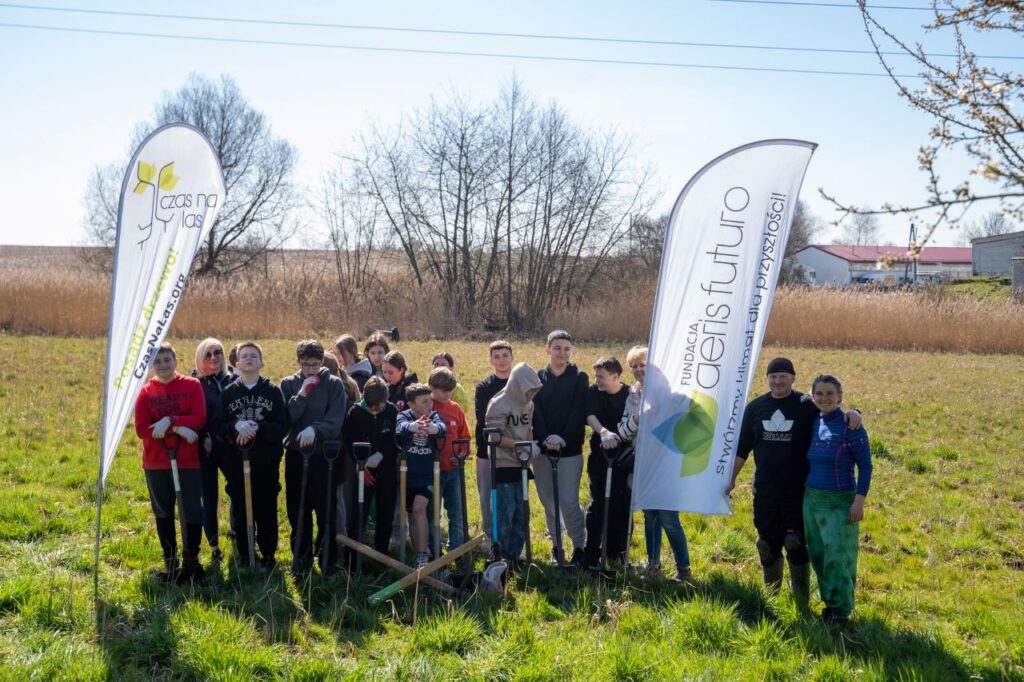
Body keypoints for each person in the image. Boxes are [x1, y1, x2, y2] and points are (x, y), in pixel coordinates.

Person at [728, 357, 862, 607]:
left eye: (783, 376)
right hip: (765, 491)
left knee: (796, 543)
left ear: (793, 377)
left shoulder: (805, 405)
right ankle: (772, 599)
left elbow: (831, 412)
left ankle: (802, 601)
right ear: (766, 379)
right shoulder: (755, 408)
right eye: (773, 376)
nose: (778, 381)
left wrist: (854, 413)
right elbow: (742, 449)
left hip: (799, 492)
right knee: (766, 544)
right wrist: (731, 480)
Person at [618, 346, 693, 583]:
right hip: (645, 466)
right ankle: (654, 565)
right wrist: (637, 419)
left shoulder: (674, 395)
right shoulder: (632, 398)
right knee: (650, 517)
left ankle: (683, 569)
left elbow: (691, 417)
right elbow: (623, 431)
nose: (639, 370)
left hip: (669, 465)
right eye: (634, 366)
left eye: (643, 365)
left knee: (669, 519)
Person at [134, 343, 207, 584]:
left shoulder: (191, 385)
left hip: (187, 461)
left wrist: (170, 421)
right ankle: (171, 562)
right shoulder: (145, 393)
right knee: (163, 512)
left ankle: (191, 560)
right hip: (156, 463)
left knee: (192, 510)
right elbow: (143, 429)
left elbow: (199, 417)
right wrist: (177, 428)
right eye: (158, 361)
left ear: (176, 361)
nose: (163, 365)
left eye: (167, 360)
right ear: (151, 365)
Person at [804, 374, 872, 626]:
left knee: (838, 557)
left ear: (840, 396)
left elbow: (865, 467)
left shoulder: (850, 426)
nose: (824, 398)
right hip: (811, 501)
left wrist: (858, 502)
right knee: (819, 555)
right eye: (819, 393)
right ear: (812, 397)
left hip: (839, 501)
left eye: (830, 393)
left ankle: (841, 612)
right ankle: (829, 605)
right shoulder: (813, 422)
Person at [280, 339, 347, 575]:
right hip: (297, 455)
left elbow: (336, 419)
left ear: (322, 362)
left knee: (325, 508)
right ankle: (302, 557)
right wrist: (302, 394)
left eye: (315, 365)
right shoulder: (288, 384)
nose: (311, 369)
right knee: (298, 508)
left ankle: (327, 556)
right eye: (306, 365)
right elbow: (287, 418)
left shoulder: (334, 384)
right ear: (298, 362)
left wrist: (315, 429)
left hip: (324, 456)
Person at [219, 341, 287, 573]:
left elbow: (281, 426)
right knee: (240, 508)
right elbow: (218, 425)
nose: (248, 359)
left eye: (253, 356)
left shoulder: (273, 391)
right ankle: (246, 554)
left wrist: (257, 427)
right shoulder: (228, 393)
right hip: (237, 464)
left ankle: (268, 554)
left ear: (261, 363)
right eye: (244, 356)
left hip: (266, 464)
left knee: (266, 508)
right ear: (236, 364)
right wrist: (236, 425)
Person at [531, 330, 588, 566]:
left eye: (566, 348)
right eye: (557, 348)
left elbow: (578, 411)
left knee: (568, 500)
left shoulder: (579, 377)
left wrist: (563, 438)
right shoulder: (537, 377)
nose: (562, 353)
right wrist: (546, 438)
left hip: (570, 449)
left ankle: (579, 546)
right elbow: (536, 412)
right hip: (544, 450)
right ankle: (557, 546)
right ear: (547, 350)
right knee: (549, 502)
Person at [485, 362, 543, 566]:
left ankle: (514, 555)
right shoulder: (499, 403)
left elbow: (527, 428)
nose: (530, 394)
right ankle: (499, 556)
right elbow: (493, 437)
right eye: (527, 389)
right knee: (505, 513)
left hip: (522, 464)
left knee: (522, 513)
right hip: (503, 463)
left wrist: (529, 446)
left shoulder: (528, 403)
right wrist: (521, 445)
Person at [583, 356, 632, 567]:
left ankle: (617, 552)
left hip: (623, 459)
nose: (598, 380)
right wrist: (603, 432)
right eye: (596, 376)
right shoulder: (595, 392)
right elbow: (590, 414)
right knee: (597, 504)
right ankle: (591, 552)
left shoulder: (630, 395)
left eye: (601, 377)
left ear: (615, 376)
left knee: (621, 506)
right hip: (600, 456)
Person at [342, 376, 399, 555]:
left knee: (386, 511)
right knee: (359, 512)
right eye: (371, 406)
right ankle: (353, 556)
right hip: (362, 470)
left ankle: (382, 552)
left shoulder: (391, 411)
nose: (375, 410)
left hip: (387, 469)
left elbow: (395, 439)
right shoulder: (355, 413)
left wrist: (382, 453)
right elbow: (349, 440)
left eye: (379, 406)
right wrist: (361, 467)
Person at [396, 384, 447, 567]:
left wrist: (432, 428)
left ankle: (423, 555)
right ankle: (418, 554)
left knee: (419, 508)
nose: (429, 404)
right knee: (411, 514)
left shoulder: (433, 416)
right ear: (412, 405)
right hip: (407, 476)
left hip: (427, 476)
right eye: (424, 401)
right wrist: (413, 426)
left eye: (430, 400)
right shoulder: (404, 416)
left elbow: (442, 428)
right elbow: (400, 426)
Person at [191, 337, 233, 561]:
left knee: (237, 490)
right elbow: (193, 415)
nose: (214, 358)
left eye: (218, 352)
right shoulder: (193, 383)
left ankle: (239, 534)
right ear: (200, 357)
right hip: (204, 448)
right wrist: (203, 436)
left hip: (229, 446)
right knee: (209, 497)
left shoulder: (232, 380)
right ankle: (214, 545)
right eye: (208, 354)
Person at [474, 340, 514, 549]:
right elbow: (483, 419)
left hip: (515, 452)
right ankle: (490, 537)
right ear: (490, 360)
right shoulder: (484, 387)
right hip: (487, 451)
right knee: (487, 495)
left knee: (512, 497)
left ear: (512, 357)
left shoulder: (518, 385)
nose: (501, 360)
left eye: (505, 355)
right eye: (496, 356)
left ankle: (510, 539)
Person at [428, 367, 471, 553]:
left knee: (457, 513)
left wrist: (461, 455)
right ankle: (433, 550)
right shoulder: (427, 407)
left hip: (454, 471)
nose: (447, 394)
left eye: (449, 391)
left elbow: (465, 437)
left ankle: (457, 550)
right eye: (443, 390)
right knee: (433, 514)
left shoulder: (455, 409)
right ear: (431, 387)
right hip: (432, 472)